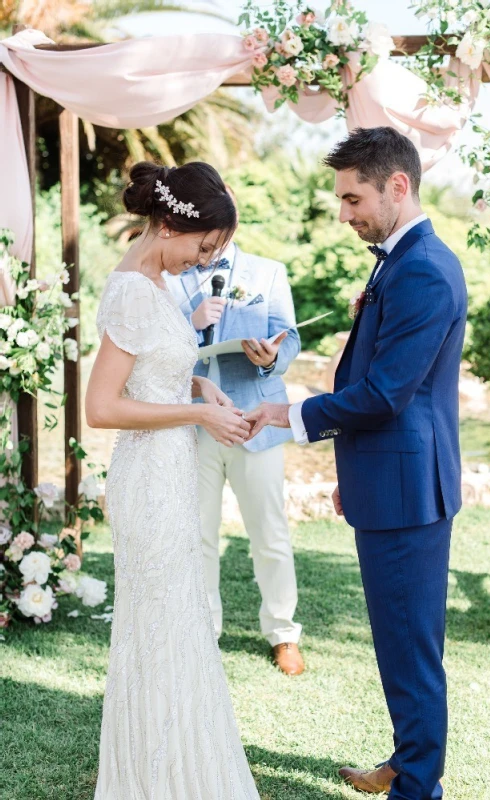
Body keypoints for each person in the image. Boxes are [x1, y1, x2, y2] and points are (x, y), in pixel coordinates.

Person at [244, 127, 468, 800]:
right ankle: (407, 763)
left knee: (410, 651)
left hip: (409, 492)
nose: (344, 214)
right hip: (389, 481)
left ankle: (416, 788)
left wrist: (292, 411)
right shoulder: (398, 258)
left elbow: (386, 395)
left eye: (353, 198)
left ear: (398, 186)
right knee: (401, 646)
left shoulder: (423, 268)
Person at [85, 161, 260, 799]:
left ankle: (180, 766)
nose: (204, 260)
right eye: (203, 246)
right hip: (148, 478)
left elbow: (153, 368)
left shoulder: (160, 282)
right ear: (165, 225)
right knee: (159, 623)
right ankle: (154, 776)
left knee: (179, 619)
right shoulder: (132, 289)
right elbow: (101, 407)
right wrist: (197, 412)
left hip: (171, 471)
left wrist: (199, 382)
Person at [164, 187, 304, 676]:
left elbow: (291, 336)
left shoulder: (268, 272)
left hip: (254, 420)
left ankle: (283, 632)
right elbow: (156, 340)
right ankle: (205, 632)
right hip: (193, 422)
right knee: (198, 531)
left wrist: (272, 357)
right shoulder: (174, 276)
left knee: (269, 531)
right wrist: (191, 318)